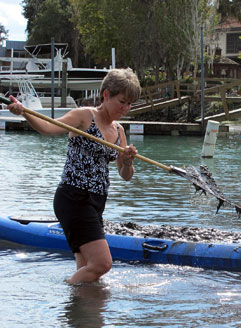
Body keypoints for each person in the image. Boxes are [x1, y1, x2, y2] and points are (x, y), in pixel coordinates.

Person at [7, 68, 141, 283]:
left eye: (129, 104)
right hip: (74, 198)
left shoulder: (119, 130)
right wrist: (24, 112)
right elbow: (48, 128)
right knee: (101, 264)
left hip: (97, 201)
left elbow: (125, 175)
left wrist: (127, 161)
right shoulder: (84, 116)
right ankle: (66, 290)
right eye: (122, 102)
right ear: (106, 95)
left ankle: (81, 313)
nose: (126, 108)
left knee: (89, 273)